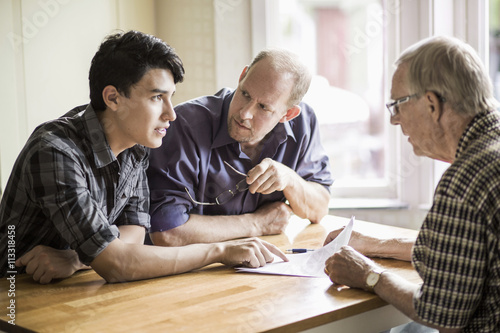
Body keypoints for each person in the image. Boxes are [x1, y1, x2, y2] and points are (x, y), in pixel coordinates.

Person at [0, 30, 287, 284]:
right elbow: (117, 264)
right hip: (13, 295)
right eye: (156, 98)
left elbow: (134, 235)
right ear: (113, 98)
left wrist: (77, 259)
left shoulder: (137, 145)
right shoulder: (55, 151)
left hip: (73, 291)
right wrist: (219, 251)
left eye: (171, 97)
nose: (171, 114)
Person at [324, 36, 500, 332]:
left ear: (431, 104)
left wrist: (370, 274)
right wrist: (375, 244)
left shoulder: (467, 179)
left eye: (398, 104)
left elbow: (440, 315)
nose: (394, 120)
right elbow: (462, 248)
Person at [147, 49, 333, 246]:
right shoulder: (185, 124)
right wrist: (256, 224)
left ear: (288, 114)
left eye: (263, 107)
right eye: (244, 93)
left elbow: (320, 208)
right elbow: (165, 232)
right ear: (242, 76)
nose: (244, 113)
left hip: (263, 265)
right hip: (194, 271)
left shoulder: (304, 122)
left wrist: (289, 180)